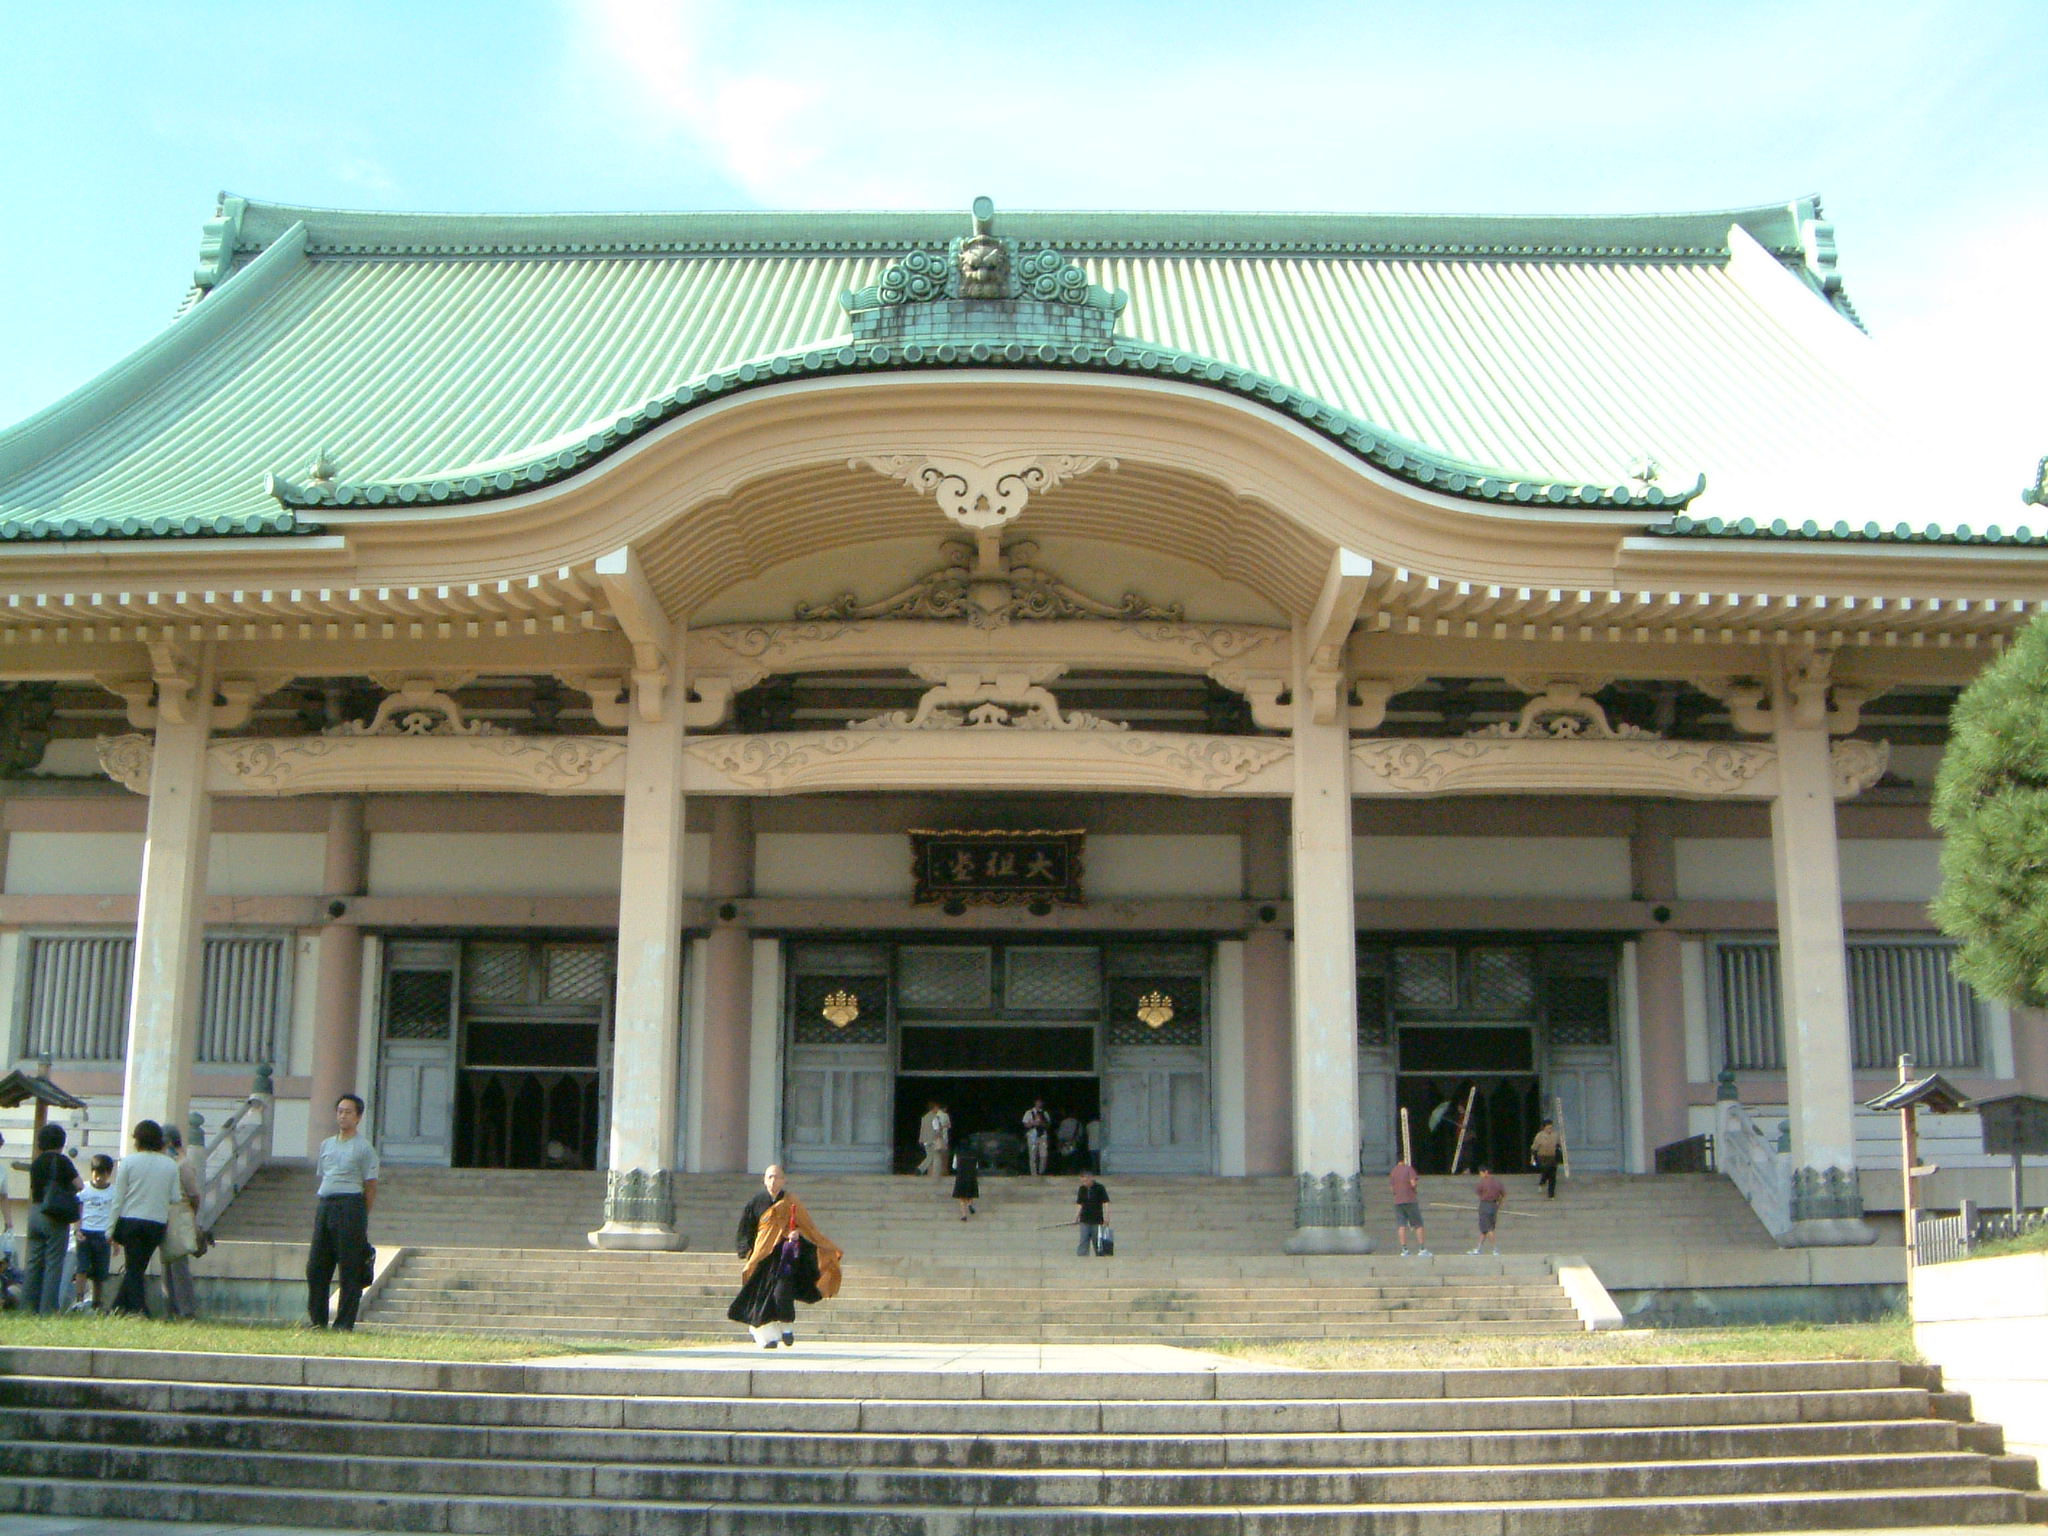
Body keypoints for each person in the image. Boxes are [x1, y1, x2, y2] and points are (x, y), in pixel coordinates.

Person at [727, 1164, 842, 1349]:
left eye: (777, 1177)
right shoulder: (756, 1203)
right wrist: (748, 1252)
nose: (773, 1181)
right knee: (762, 1296)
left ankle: (787, 1327)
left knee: (782, 1292)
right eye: (770, 1177)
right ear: (764, 1180)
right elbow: (746, 1229)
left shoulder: (791, 1202)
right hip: (763, 1258)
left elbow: (808, 1228)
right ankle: (767, 1337)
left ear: (783, 1180)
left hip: (784, 1257)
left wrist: (796, 1234)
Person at [306, 1093, 379, 1331]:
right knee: (316, 1267)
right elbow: (325, 1175)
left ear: (358, 1117)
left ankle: (344, 1323)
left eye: (348, 1112)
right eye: (340, 1111)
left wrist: (361, 1216)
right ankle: (317, 1320)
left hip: (351, 1206)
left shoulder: (364, 1148)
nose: (343, 1116)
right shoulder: (326, 1145)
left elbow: (370, 1186)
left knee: (349, 1268)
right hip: (326, 1204)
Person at [108, 1120, 181, 1315]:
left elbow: (118, 1199)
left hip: (130, 1221)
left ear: (138, 1140)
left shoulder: (129, 1162)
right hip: (156, 1224)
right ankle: (117, 1307)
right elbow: (175, 1197)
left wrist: (110, 1228)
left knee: (134, 1268)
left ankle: (139, 1309)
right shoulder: (170, 1164)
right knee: (137, 1266)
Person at [24, 1123, 81, 1315]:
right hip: (54, 1214)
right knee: (53, 1264)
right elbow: (79, 1185)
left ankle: (27, 1307)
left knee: (33, 1262)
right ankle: (47, 1309)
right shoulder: (62, 1161)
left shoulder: (36, 1163)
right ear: (61, 1142)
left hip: (35, 1212)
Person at [160, 1125, 204, 1320]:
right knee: (167, 1263)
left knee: (179, 1264)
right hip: (166, 1215)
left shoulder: (183, 1164)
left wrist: (192, 1215)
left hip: (180, 1215)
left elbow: (194, 1195)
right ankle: (171, 1307)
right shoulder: (167, 1163)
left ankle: (186, 1309)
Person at [72, 1154, 116, 1311]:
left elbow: (114, 1215)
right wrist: (77, 1229)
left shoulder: (113, 1192)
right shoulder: (84, 1190)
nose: (98, 1178)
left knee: (100, 1272)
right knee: (81, 1268)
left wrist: (114, 1238)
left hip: (103, 1234)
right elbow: (78, 1211)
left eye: (102, 1174)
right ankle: (79, 1300)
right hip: (85, 1233)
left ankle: (97, 1303)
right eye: (96, 1173)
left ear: (109, 1174)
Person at [1390, 1156, 1429, 1257]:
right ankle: (1422, 1248)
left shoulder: (1393, 1172)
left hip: (1398, 1201)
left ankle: (1404, 1249)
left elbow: (1392, 1189)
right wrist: (1414, 1189)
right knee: (1418, 1224)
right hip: (1410, 1200)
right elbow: (1413, 1183)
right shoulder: (1409, 1169)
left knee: (1401, 1225)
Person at [1469, 1165, 1506, 1254]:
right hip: (1494, 1206)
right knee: (1484, 1229)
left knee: (1488, 1229)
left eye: (1481, 1173)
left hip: (1485, 1205)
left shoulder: (1483, 1182)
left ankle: (1495, 1248)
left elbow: (1478, 1192)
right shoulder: (1498, 1182)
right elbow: (1503, 1194)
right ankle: (1478, 1248)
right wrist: (1499, 1205)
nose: (1480, 1175)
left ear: (1485, 1172)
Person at [1073, 1170, 1111, 1256]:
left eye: (1086, 1181)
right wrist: (1076, 1217)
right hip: (1084, 1219)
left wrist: (1107, 1216)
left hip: (1097, 1219)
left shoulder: (1100, 1188)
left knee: (1097, 1241)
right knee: (1083, 1240)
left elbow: (1106, 1202)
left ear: (1091, 1178)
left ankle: (1100, 1256)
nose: (1084, 1183)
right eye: (1083, 1181)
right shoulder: (1082, 1189)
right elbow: (1080, 1204)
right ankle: (1082, 1256)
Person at [917, 1102, 951, 1183]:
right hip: (932, 1140)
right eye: (936, 1108)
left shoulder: (924, 1117)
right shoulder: (934, 1118)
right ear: (934, 1108)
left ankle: (921, 1170)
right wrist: (940, 1138)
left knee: (930, 1156)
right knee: (934, 1157)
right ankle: (921, 1170)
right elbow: (937, 1129)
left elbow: (922, 1129)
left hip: (925, 1140)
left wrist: (921, 1139)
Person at [1530, 1120, 1564, 1199]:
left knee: (1552, 1175)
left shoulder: (1555, 1135)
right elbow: (1534, 1148)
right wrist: (1532, 1158)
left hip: (1552, 1157)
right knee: (1546, 1170)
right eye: (1548, 1128)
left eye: (1551, 1128)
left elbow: (1559, 1145)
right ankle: (1542, 1182)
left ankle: (1551, 1194)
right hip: (1542, 1157)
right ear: (1544, 1128)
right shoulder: (1539, 1136)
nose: (1550, 1130)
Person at [951, 1142, 980, 1220]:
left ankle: (964, 1215)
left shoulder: (958, 1155)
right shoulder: (974, 1155)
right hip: (971, 1176)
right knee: (971, 1192)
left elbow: (954, 1166)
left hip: (961, 1176)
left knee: (962, 1197)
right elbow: (976, 1166)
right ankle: (970, 1204)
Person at [1022, 1099, 1051, 1176]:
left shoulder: (1045, 1113)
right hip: (1032, 1136)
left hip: (1042, 1136)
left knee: (1044, 1155)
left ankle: (1041, 1172)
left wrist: (1042, 1123)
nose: (1039, 1104)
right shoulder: (1029, 1113)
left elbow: (1048, 1125)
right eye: (1038, 1102)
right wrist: (1033, 1123)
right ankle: (1034, 1174)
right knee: (1033, 1156)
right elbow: (1025, 1124)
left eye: (1040, 1102)